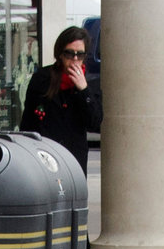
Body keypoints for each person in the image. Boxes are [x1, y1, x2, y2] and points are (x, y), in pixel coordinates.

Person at [20, 26, 102, 177]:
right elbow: (28, 121)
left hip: (74, 159)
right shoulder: (42, 79)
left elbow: (94, 122)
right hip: (45, 156)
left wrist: (83, 90)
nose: (75, 59)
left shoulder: (89, 83)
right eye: (69, 53)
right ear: (60, 54)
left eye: (80, 54)